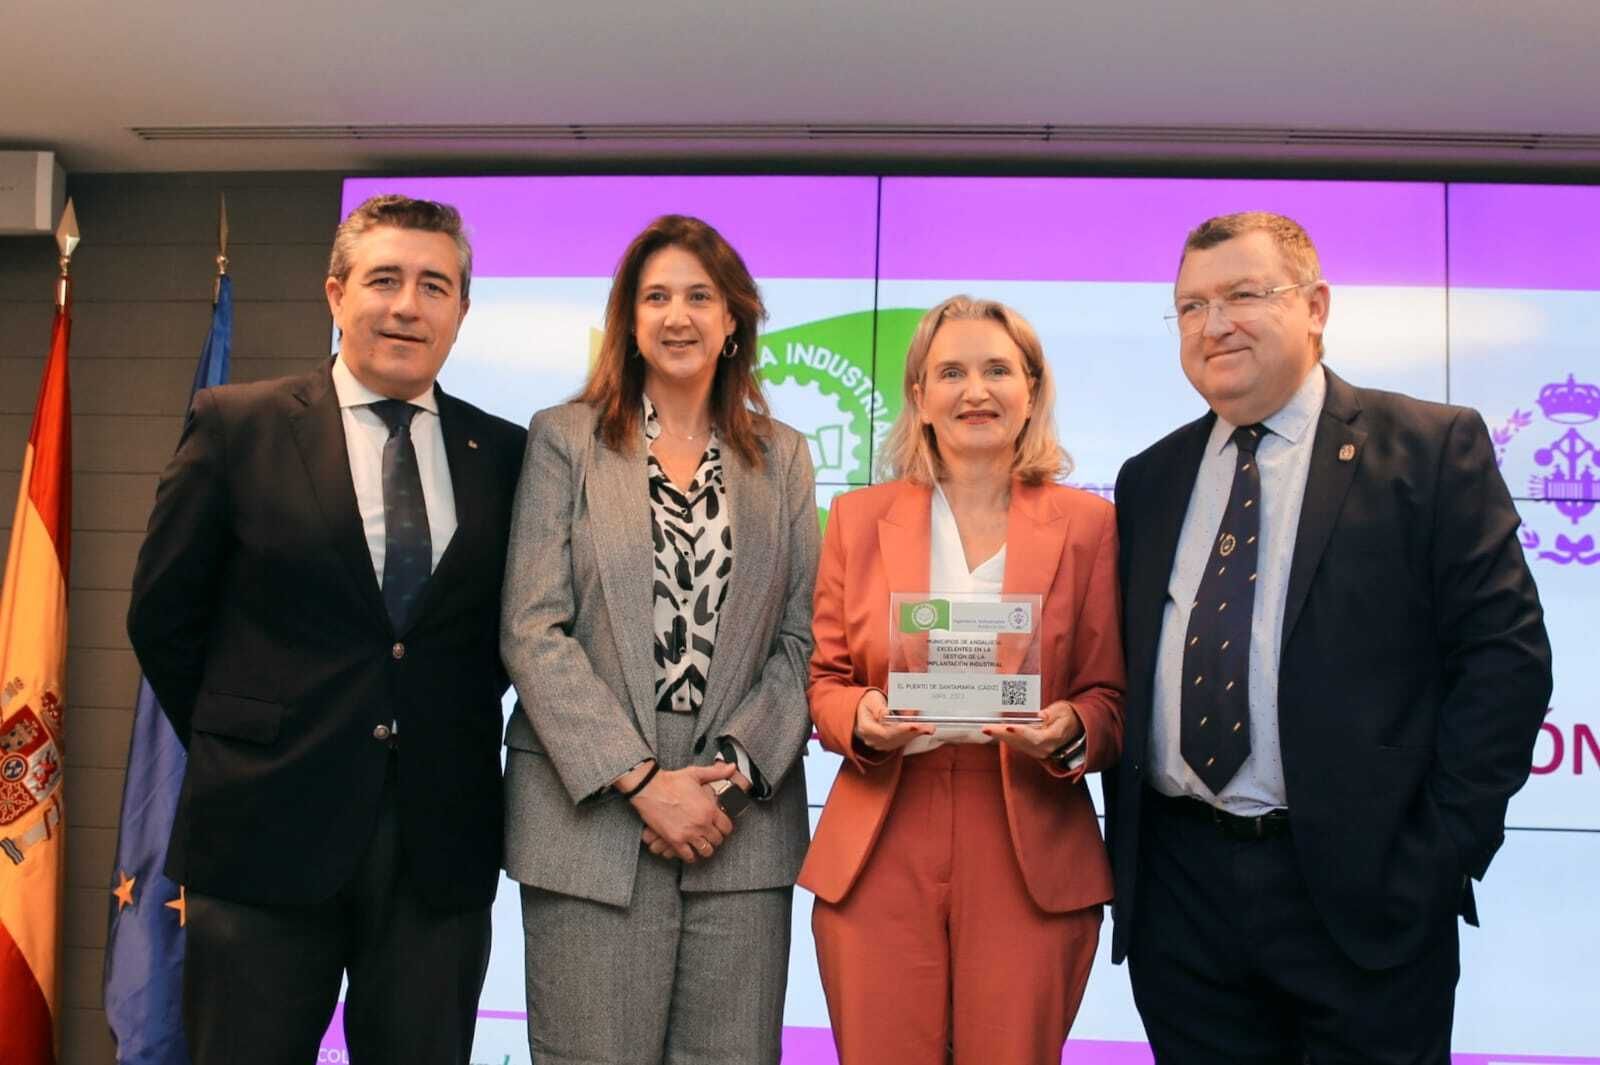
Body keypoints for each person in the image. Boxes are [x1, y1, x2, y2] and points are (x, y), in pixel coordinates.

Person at [1107, 211, 1553, 1064]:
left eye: (1243, 294)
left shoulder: (1429, 447)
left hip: (1366, 896)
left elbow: (1507, 662)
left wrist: (1439, 853)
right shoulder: (1150, 477)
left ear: (1315, 305)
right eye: (1190, 306)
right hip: (1183, 901)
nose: (1215, 324)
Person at [125, 194, 525, 1063]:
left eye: (434, 285)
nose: (407, 305)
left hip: (438, 844)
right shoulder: (238, 424)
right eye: (383, 279)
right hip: (264, 828)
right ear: (335, 293)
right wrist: (254, 730)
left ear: (462, 309)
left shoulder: (505, 454)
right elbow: (163, 614)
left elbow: (505, 633)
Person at [499, 214, 818, 1065]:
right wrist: (642, 780)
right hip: (592, 811)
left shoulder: (783, 456)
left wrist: (728, 780)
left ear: (733, 319)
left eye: (699, 296)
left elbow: (801, 637)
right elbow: (532, 627)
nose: (678, 315)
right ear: (629, 321)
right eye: (656, 296)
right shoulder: (564, 438)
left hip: (737, 817)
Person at [800, 296, 1125, 1065]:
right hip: (883, 831)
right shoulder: (856, 516)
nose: (974, 390)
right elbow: (825, 681)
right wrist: (862, 716)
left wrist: (1071, 728)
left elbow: (1111, 697)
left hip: (1028, 835)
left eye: (996, 370)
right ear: (919, 395)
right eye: (950, 371)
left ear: (1032, 390)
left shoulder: (1089, 525)